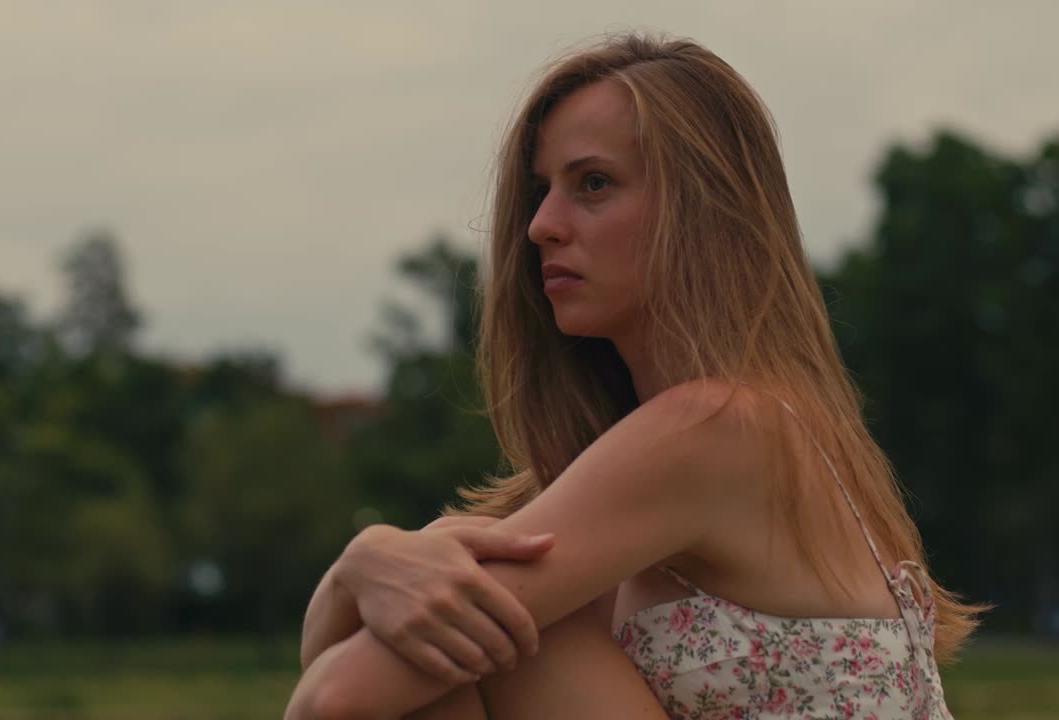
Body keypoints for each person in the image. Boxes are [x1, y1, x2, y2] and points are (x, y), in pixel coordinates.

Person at [287, 31, 986, 719]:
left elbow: (335, 698)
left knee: (501, 630)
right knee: (477, 626)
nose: (540, 226)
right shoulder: (765, 428)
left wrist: (366, 565)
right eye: (541, 190)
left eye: (594, 183)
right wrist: (361, 571)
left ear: (705, 208)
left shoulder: (715, 430)